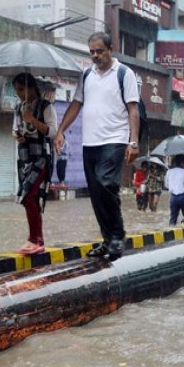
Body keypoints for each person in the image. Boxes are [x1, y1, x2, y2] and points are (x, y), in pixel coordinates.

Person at [54, 31, 140, 259]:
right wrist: (61, 130)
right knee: (95, 193)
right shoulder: (86, 75)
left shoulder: (124, 73)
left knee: (106, 184)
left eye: (99, 51)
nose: (95, 56)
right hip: (89, 142)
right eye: (91, 52)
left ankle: (118, 235)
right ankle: (108, 239)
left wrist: (133, 141)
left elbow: (133, 109)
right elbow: (75, 104)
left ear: (110, 49)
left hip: (114, 139)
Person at [11, 73, 58, 254]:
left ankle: (36, 239)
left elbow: (52, 132)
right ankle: (35, 238)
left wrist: (33, 120)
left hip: (41, 156)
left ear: (32, 88)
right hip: (24, 157)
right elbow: (15, 130)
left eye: (22, 89)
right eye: (17, 90)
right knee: (27, 198)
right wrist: (18, 135)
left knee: (29, 195)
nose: (20, 94)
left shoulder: (46, 107)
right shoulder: (18, 107)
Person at [165, 154, 184, 225]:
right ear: (182, 162)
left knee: (173, 217)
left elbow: (166, 185)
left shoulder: (169, 172)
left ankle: (170, 231)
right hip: (183, 196)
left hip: (173, 197)